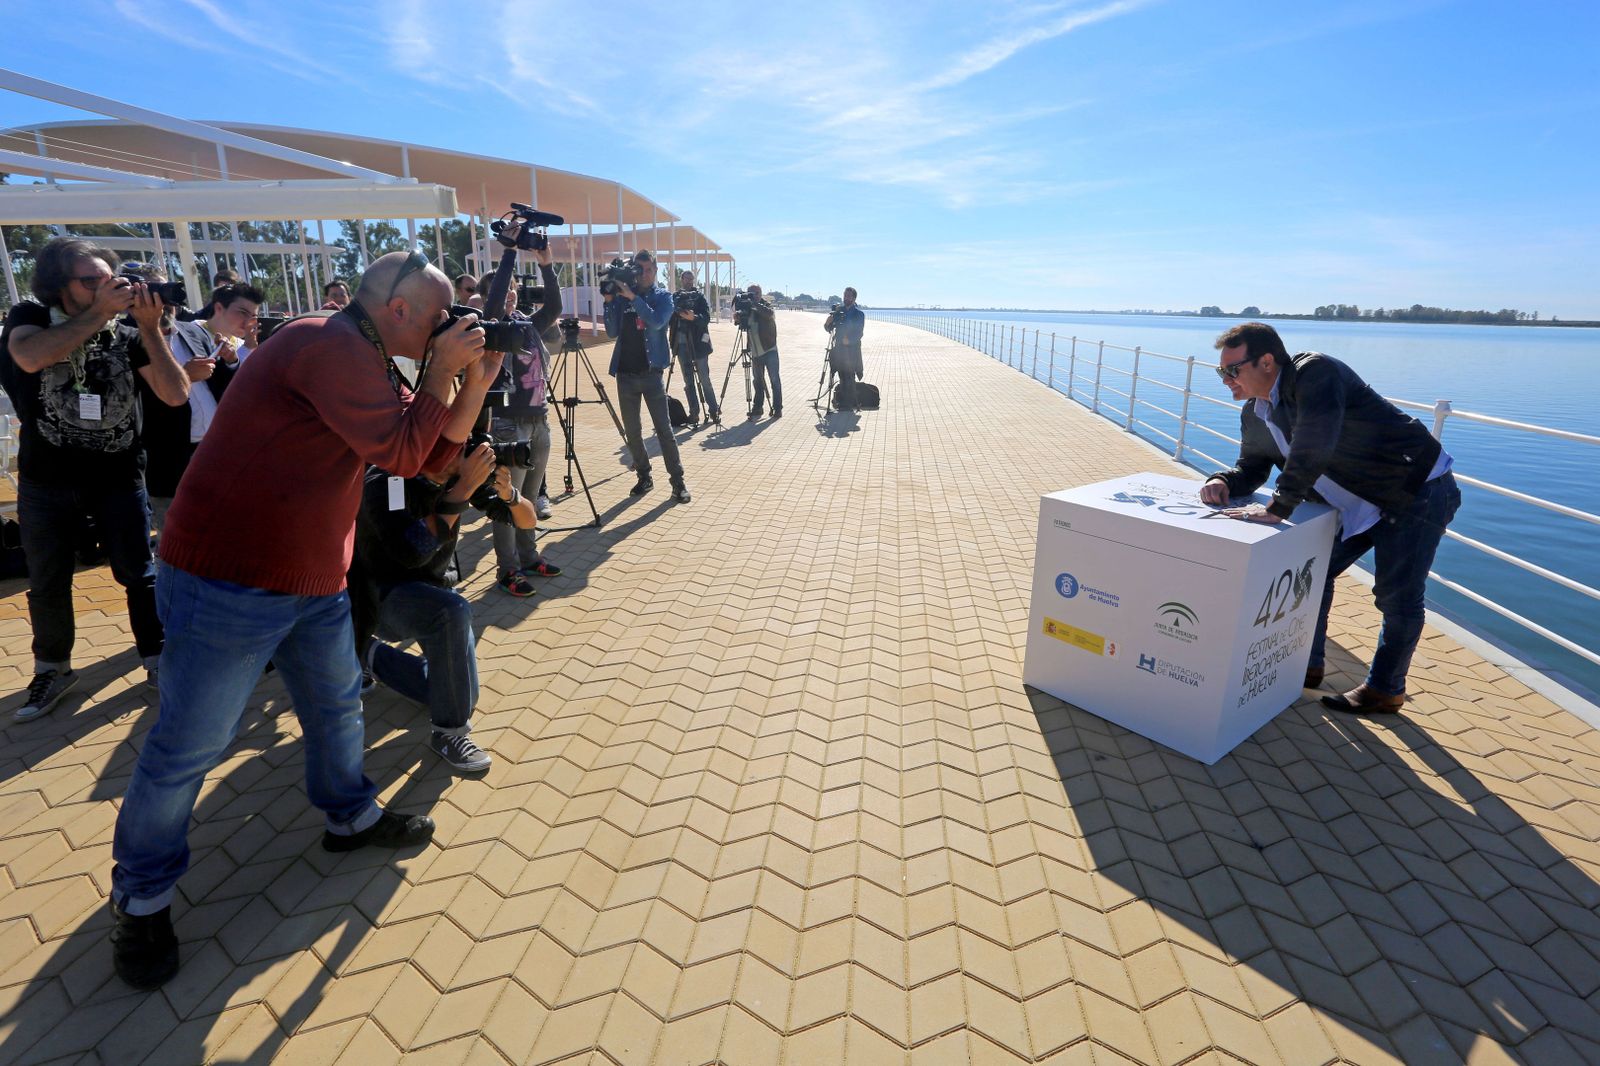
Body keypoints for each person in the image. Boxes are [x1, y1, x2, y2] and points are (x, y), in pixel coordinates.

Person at [108, 249, 502, 990]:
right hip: (230, 577)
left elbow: (430, 456)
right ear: (399, 311)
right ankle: (142, 896)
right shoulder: (327, 344)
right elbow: (404, 454)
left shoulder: (370, 353)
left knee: (336, 706)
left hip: (315, 573)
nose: (451, 326)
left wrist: (471, 381)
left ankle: (349, 817)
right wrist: (444, 374)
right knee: (191, 742)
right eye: (441, 316)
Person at [1198, 322, 1460, 716]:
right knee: (1315, 572)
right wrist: (1222, 480)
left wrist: (1279, 507)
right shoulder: (1256, 411)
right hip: (1355, 504)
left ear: (1267, 362)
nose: (1225, 380)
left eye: (1232, 370)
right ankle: (1307, 665)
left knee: (1397, 596)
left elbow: (1314, 441)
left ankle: (1385, 689)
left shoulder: (1315, 374)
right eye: (1221, 371)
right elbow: (1253, 465)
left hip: (1414, 492)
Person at [0, 240, 190, 721]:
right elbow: (29, 357)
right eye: (91, 281)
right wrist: (100, 312)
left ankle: (157, 658)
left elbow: (174, 394)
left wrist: (150, 329)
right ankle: (53, 668)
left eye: (110, 279)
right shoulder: (31, 317)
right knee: (48, 580)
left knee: (139, 574)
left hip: (118, 476)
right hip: (46, 479)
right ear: (58, 285)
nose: (108, 288)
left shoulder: (125, 331)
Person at [351, 440, 536, 772]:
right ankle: (449, 733)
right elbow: (412, 552)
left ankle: (371, 656)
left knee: (460, 695)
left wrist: (509, 495)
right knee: (453, 611)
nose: (469, 453)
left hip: (431, 594)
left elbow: (527, 521)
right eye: (460, 446)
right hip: (378, 597)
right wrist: (464, 487)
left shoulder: (456, 479)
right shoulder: (387, 481)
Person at [140, 279, 263, 534]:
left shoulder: (193, 332)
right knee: (177, 537)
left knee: (222, 531)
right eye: (157, 296)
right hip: (170, 461)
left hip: (212, 451)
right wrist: (185, 375)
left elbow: (221, 387)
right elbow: (136, 400)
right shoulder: (131, 338)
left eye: (169, 297)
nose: (166, 304)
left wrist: (230, 362)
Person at [488, 246, 565, 596]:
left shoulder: (528, 325)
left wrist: (547, 265)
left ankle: (529, 557)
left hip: (538, 420)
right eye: (504, 289)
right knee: (508, 500)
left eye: (513, 288)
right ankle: (508, 570)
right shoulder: (491, 327)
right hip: (509, 424)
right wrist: (508, 253)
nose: (510, 293)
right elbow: (494, 306)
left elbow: (555, 308)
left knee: (529, 497)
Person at [604, 250, 691, 503]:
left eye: (649, 269)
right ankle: (644, 476)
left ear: (655, 270)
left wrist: (633, 297)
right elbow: (611, 331)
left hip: (652, 374)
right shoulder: (622, 298)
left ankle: (678, 482)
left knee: (664, 431)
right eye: (640, 269)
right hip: (625, 375)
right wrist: (609, 300)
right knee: (632, 433)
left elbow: (656, 321)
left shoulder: (663, 297)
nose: (644, 274)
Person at [668, 269, 719, 426]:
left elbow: (706, 318)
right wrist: (675, 312)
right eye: (686, 279)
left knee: (704, 379)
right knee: (688, 381)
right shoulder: (675, 297)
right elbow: (669, 318)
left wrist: (694, 317)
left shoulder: (699, 298)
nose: (689, 281)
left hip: (698, 345)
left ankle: (714, 410)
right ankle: (694, 413)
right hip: (681, 344)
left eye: (691, 279)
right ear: (681, 279)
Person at [824, 286, 866, 408]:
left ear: (854, 298)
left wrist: (849, 341)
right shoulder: (838, 311)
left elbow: (859, 333)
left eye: (848, 296)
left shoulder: (859, 314)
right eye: (845, 295)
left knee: (850, 376)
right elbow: (829, 328)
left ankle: (849, 404)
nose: (846, 298)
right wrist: (827, 323)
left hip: (852, 350)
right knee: (841, 375)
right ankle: (843, 402)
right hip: (839, 349)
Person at [744, 284, 780, 419]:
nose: (754, 296)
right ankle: (757, 407)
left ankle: (777, 408)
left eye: (757, 293)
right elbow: (743, 324)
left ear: (761, 294)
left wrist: (754, 304)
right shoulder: (747, 307)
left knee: (774, 380)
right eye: (751, 293)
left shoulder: (766, 306)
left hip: (769, 349)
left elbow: (769, 314)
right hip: (755, 350)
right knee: (757, 381)